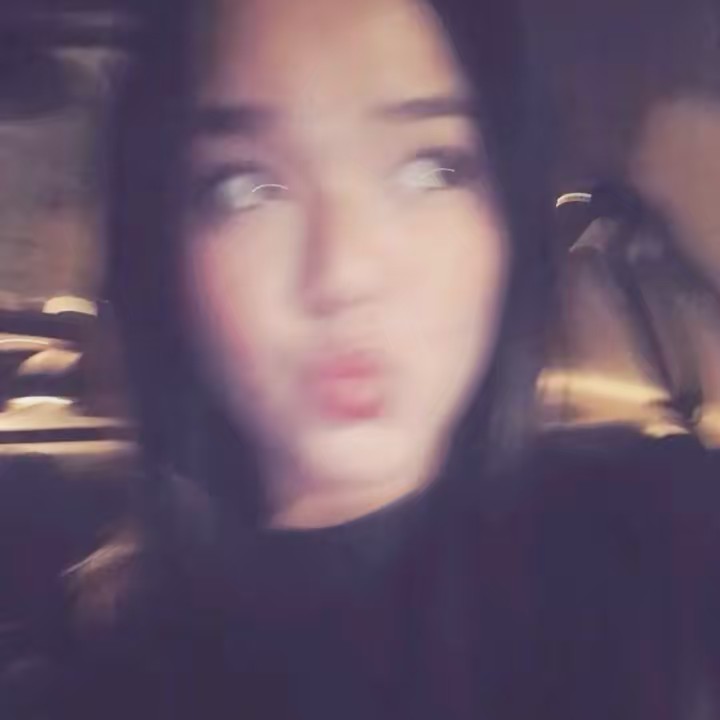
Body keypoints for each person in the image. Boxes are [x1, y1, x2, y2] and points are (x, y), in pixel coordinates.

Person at [1, 0, 711, 719]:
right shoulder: (100, 684)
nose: (343, 275)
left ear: (510, 214)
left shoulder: (659, 530)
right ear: (162, 254)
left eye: (429, 171)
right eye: (247, 188)